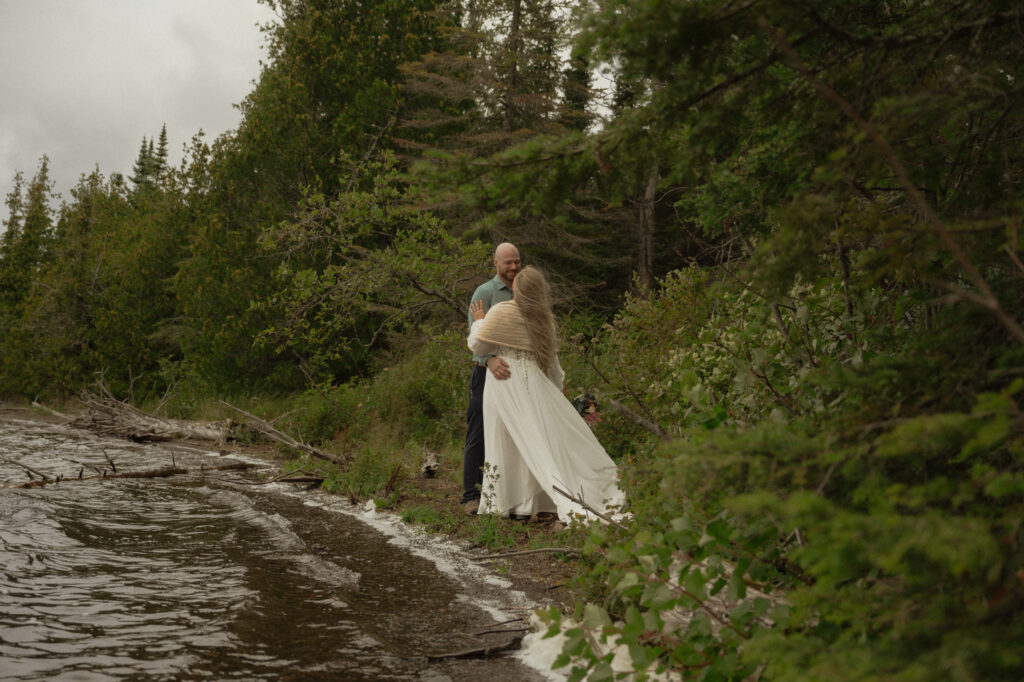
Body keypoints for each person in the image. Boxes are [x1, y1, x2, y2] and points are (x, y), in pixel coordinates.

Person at [468, 266, 626, 522]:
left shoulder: (501, 311)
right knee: (535, 438)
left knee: (505, 438)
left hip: (504, 381)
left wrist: (479, 322)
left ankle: (509, 505)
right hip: (534, 382)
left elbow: (478, 345)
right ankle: (527, 506)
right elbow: (552, 365)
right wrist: (554, 391)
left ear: (517, 289)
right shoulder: (545, 319)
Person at [461, 242, 521, 515]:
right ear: (496, 263)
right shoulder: (484, 292)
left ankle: (507, 493)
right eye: (508, 262)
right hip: (486, 374)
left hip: (517, 376)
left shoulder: (525, 291)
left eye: (516, 261)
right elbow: (475, 340)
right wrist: (489, 359)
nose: (513, 267)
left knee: (513, 434)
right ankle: (471, 494)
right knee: (479, 431)